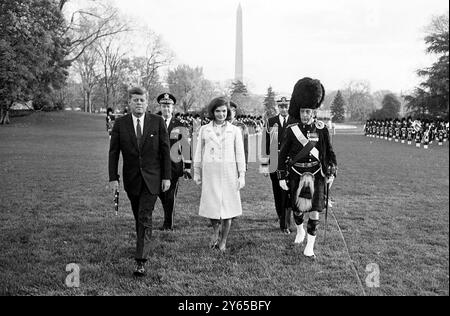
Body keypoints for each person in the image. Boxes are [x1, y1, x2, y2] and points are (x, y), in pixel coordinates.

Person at [108, 87, 171, 277]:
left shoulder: (157, 122)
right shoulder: (120, 123)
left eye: (142, 100)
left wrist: (167, 177)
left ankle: (140, 261)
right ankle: (144, 241)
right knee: (139, 216)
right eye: (135, 100)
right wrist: (113, 178)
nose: (139, 103)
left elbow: (165, 150)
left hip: (153, 178)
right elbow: (114, 153)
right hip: (132, 179)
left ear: (147, 102)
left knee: (145, 215)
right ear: (129, 102)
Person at [278, 78, 337, 259]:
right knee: (297, 210)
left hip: (316, 175)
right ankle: (300, 230)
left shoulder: (322, 129)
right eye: (303, 111)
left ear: (313, 112)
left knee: (314, 211)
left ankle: (310, 246)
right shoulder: (291, 129)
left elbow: (329, 152)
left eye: (308, 111)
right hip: (296, 174)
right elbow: (283, 154)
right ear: (299, 111)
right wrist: (281, 176)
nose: (305, 114)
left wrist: (331, 171)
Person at [193, 97, 246, 252]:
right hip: (211, 172)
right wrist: (197, 172)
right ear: (212, 112)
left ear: (228, 112)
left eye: (224, 111)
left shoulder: (235, 130)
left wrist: (241, 174)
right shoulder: (204, 129)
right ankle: (216, 230)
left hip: (229, 171)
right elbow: (198, 152)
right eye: (217, 111)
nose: (221, 114)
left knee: (228, 206)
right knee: (212, 203)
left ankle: (223, 240)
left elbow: (240, 154)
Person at [156, 93, 191, 231]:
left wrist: (187, 166)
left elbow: (186, 147)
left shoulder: (179, 124)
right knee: (159, 193)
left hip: (174, 166)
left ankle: (168, 223)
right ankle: (166, 215)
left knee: (170, 195)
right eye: (164, 106)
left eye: (169, 106)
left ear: (173, 107)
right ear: (160, 107)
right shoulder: (153, 122)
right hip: (156, 166)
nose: (166, 109)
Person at [263, 96, 297, 234]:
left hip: (290, 163)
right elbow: (266, 144)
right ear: (278, 107)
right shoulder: (271, 122)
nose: (284, 109)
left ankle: (286, 221)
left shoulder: (295, 121)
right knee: (277, 192)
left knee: (289, 193)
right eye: (281, 106)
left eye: (286, 106)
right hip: (274, 162)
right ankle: (281, 215)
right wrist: (264, 166)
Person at [229, 101, 249, 168]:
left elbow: (245, 146)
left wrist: (245, 162)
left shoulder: (242, 126)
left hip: (237, 160)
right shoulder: (219, 126)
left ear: (234, 112)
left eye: (231, 110)